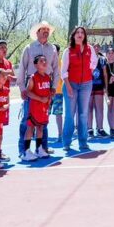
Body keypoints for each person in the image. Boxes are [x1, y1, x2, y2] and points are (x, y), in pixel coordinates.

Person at [16, 22, 60, 157]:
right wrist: (22, 88)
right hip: (32, 86)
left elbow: (56, 69)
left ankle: (42, 148)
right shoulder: (28, 48)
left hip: (46, 87)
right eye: (43, 29)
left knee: (43, 120)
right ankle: (24, 150)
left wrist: (53, 87)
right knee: (27, 120)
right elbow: (22, 68)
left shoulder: (52, 49)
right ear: (37, 32)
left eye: (48, 30)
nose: (46, 31)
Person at [61, 26, 95, 153]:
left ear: (85, 36)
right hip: (71, 85)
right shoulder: (68, 51)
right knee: (70, 115)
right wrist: (68, 86)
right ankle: (67, 142)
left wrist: (88, 73)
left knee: (83, 114)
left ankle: (83, 142)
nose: (80, 35)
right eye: (77, 33)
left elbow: (94, 63)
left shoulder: (90, 49)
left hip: (86, 85)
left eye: (82, 33)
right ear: (73, 36)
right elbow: (63, 71)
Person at [22, 55, 53, 161]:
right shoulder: (33, 77)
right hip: (34, 107)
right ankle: (26, 151)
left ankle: (39, 149)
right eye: (41, 61)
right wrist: (40, 99)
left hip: (44, 108)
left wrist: (48, 100)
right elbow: (28, 92)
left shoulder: (48, 77)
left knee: (40, 128)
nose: (44, 62)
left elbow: (48, 91)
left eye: (45, 60)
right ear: (35, 65)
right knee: (30, 128)